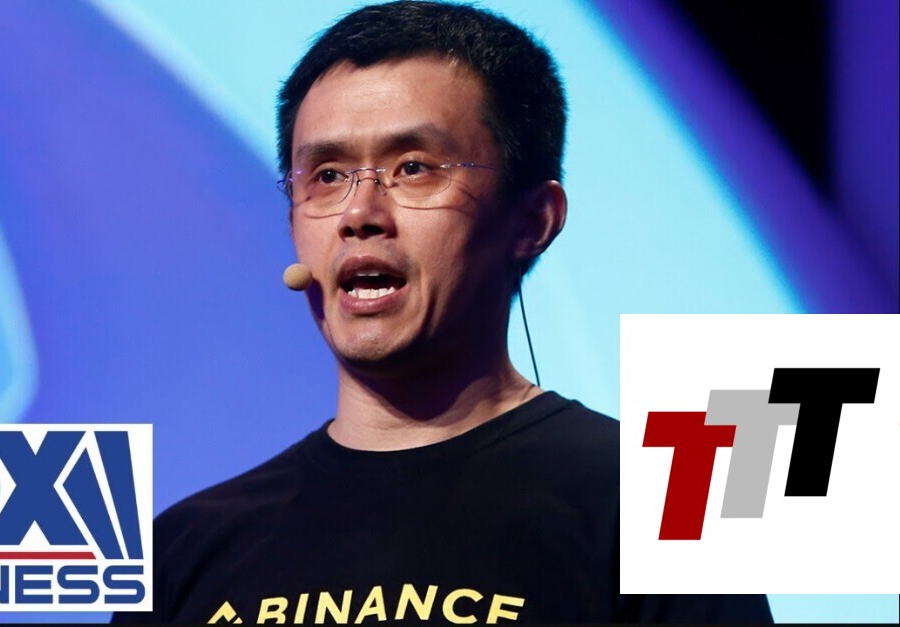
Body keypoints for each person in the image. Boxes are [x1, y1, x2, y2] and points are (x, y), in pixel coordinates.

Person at [115, 1, 772, 623]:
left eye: (413, 168)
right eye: (327, 176)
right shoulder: (185, 549)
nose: (359, 214)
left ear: (533, 221)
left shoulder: (659, 507)